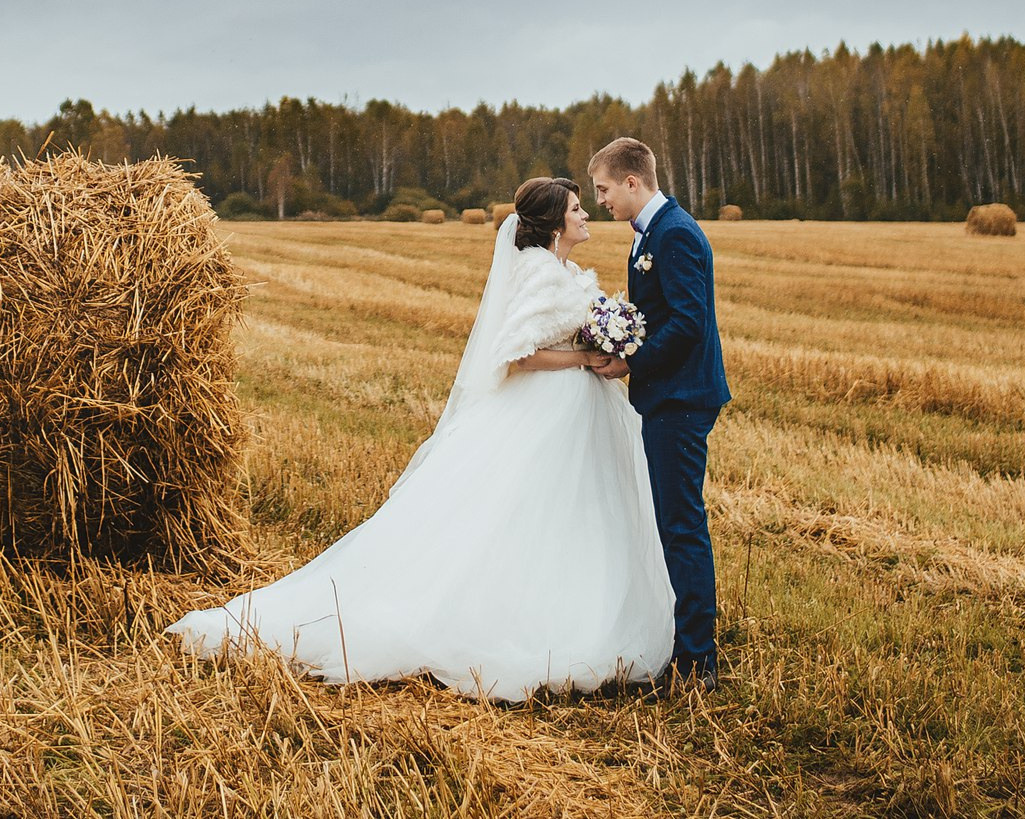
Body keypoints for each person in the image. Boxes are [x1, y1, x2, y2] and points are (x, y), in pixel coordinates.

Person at [168, 177, 673, 700]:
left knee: (577, 516)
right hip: (551, 407)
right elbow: (518, 354)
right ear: (553, 223)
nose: (586, 214)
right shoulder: (541, 274)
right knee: (524, 515)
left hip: (580, 408)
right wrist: (583, 357)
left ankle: (581, 607)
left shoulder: (565, 270)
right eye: (576, 208)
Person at [587, 136, 730, 684]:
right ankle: (685, 642)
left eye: (603, 189)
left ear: (630, 181)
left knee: (681, 524)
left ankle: (698, 660)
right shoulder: (651, 231)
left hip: (681, 399)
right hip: (669, 395)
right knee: (674, 521)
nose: (600, 200)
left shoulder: (673, 234)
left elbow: (689, 322)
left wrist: (633, 361)